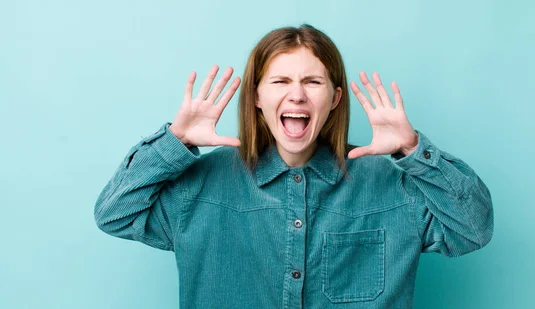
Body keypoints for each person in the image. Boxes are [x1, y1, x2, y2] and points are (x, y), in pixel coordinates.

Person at [94, 24, 494, 309]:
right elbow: (113, 214)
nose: (297, 95)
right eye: (280, 81)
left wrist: (412, 149)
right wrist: (173, 144)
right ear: (256, 97)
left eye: (313, 82)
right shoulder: (198, 187)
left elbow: (473, 230)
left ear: (335, 99)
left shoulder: (393, 186)